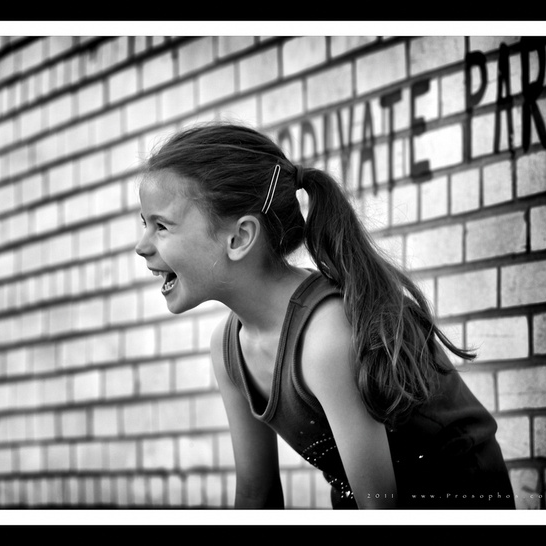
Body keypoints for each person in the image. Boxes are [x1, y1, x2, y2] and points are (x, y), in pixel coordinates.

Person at [134, 122, 515, 509]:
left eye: (161, 226)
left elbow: (379, 507)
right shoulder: (228, 347)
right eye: (144, 223)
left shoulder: (326, 336)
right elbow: (255, 494)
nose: (141, 245)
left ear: (239, 237)